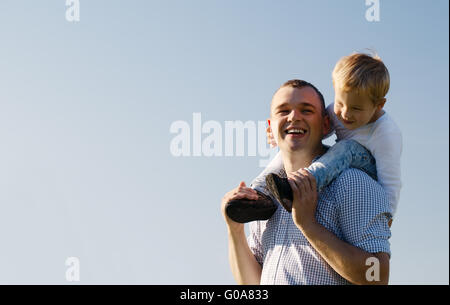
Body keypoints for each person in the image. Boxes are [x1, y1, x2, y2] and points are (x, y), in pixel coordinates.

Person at [221, 80, 392, 285]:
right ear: (270, 129)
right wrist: (235, 229)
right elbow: (252, 285)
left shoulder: (352, 182)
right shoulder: (264, 200)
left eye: (306, 110)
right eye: (283, 111)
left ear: (326, 124)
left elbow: (377, 277)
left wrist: (308, 225)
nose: (293, 117)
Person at [226, 52, 402, 226]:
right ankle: (258, 194)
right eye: (341, 103)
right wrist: (285, 133)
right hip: (339, 162)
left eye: (356, 108)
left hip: (368, 175)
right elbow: (316, 131)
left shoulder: (386, 134)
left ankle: (298, 187)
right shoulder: (337, 111)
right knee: (290, 147)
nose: (346, 114)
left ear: (379, 105)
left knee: (348, 147)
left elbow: (391, 182)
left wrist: (386, 217)